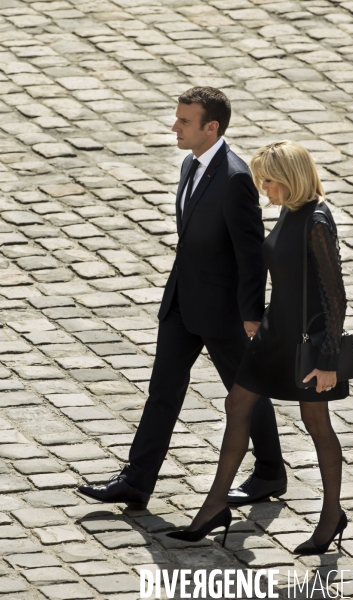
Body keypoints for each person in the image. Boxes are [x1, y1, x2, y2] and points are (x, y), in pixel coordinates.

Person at [78, 87, 286, 509]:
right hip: (181, 303)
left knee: (244, 391)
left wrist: (251, 314)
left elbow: (251, 254)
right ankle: (137, 481)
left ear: (212, 127)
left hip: (223, 311)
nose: (175, 126)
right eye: (177, 118)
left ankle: (269, 472)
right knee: (163, 390)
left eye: (184, 121)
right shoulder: (192, 164)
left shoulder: (235, 179)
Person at [167, 140, 349, 555]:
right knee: (237, 405)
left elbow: (334, 296)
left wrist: (327, 360)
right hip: (273, 334)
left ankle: (330, 516)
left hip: (306, 342)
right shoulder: (290, 210)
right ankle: (214, 506)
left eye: (269, 181)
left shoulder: (316, 220)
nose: (263, 189)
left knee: (317, 425)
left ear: (290, 179)